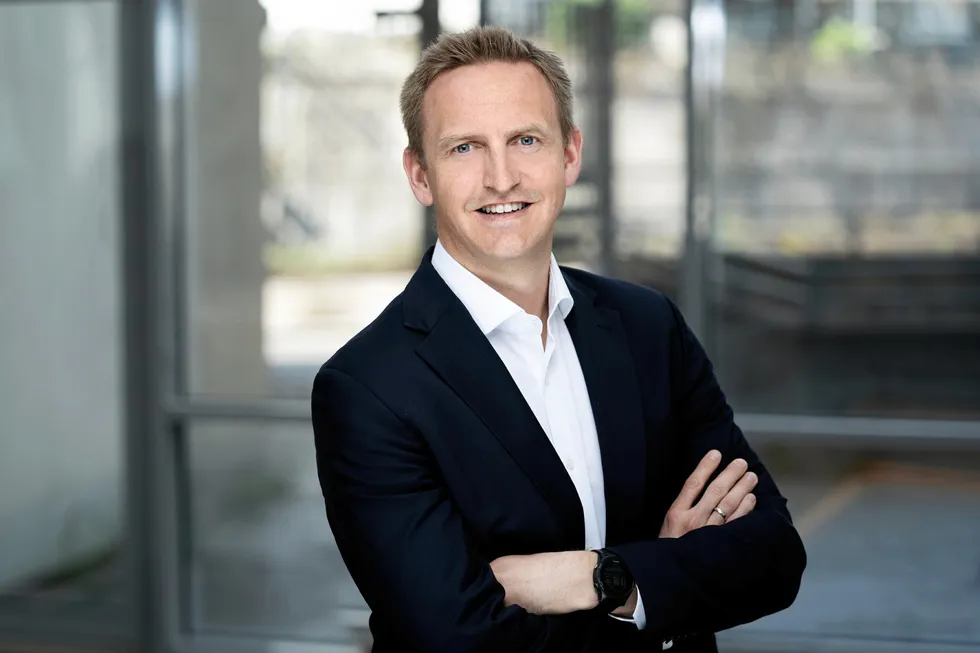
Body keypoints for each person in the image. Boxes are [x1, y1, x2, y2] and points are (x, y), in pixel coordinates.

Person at [311, 25, 806, 653]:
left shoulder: (648, 326)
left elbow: (773, 555)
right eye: (464, 147)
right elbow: (455, 640)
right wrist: (659, 579)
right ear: (420, 175)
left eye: (526, 140)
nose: (501, 178)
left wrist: (598, 576)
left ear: (569, 154)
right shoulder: (367, 387)